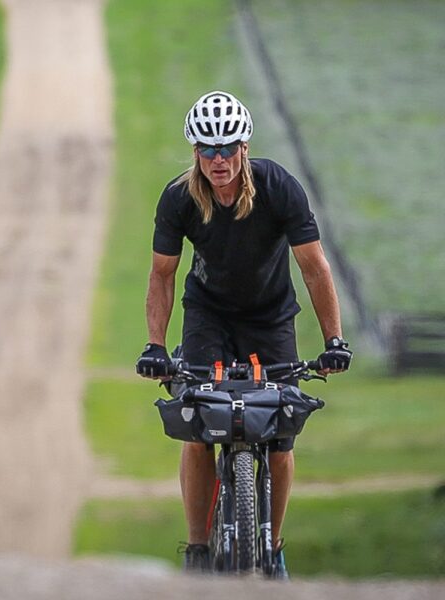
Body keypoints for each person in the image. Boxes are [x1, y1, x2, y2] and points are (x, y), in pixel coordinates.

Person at [135, 90, 352, 576]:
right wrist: (155, 346)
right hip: (208, 314)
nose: (218, 159)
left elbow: (314, 267)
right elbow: (163, 275)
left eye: (227, 147)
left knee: (281, 434)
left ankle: (272, 549)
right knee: (197, 426)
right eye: (208, 149)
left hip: (272, 316)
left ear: (244, 146)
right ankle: (196, 549)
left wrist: (334, 341)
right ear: (195, 152)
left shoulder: (280, 188)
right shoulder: (178, 198)